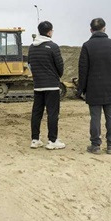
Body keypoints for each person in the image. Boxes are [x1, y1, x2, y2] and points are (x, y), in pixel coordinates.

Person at [77, 18, 111, 155]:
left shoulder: (87, 46)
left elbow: (83, 69)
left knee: (95, 117)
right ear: (104, 28)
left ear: (91, 30)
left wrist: (81, 88)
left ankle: (95, 145)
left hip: (93, 87)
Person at [28, 21, 65, 150]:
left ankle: (35, 139)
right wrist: (56, 76)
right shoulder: (53, 46)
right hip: (52, 86)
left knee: (36, 113)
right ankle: (52, 140)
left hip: (38, 85)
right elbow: (60, 66)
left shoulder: (32, 47)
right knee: (53, 113)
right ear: (50, 32)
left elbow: (30, 65)